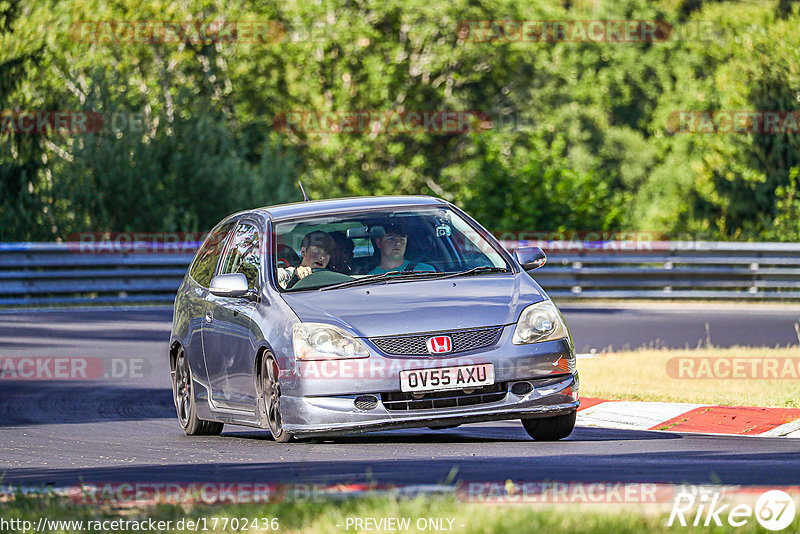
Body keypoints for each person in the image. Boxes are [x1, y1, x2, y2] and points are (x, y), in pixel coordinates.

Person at [368, 223, 435, 274]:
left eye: (402, 239)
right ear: (379, 243)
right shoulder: (370, 277)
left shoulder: (425, 271)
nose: (397, 243)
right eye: (391, 239)